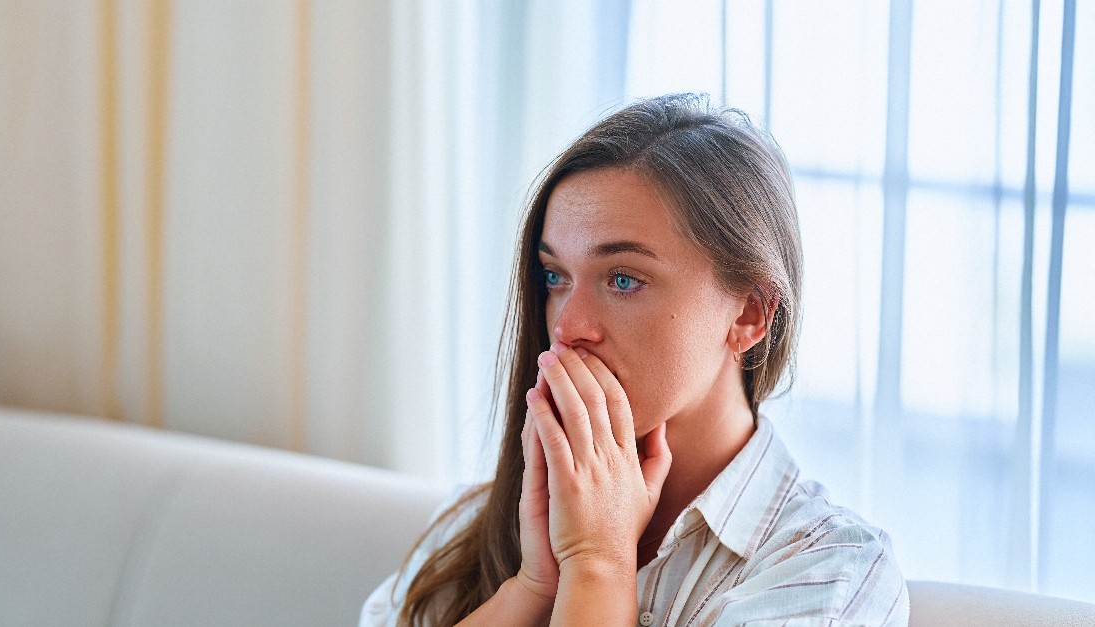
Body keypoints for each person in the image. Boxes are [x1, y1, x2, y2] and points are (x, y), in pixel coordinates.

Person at [361, 93, 909, 626]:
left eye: (623, 279)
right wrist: (531, 589)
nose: (567, 328)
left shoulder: (829, 572)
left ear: (749, 315)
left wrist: (598, 565)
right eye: (555, 277)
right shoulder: (471, 528)